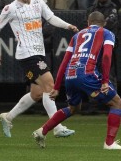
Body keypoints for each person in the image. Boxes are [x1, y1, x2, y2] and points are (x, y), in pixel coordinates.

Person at [0, 0, 78, 138]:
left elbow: (51, 18)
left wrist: (68, 25)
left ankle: (8, 116)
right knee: (50, 85)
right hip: (26, 54)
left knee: (37, 93)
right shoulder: (11, 8)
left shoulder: (38, 2)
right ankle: (57, 127)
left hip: (39, 52)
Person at [33, 11, 121, 150]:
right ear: (103, 23)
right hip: (88, 74)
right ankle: (109, 143)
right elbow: (106, 57)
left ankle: (42, 131)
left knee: (74, 108)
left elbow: (64, 61)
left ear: (88, 23)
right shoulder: (107, 33)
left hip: (71, 75)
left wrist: (56, 86)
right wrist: (105, 80)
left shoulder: (76, 35)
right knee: (117, 103)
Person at [82, 0, 119, 115]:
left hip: (108, 47)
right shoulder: (91, 9)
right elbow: (85, 25)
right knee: (91, 74)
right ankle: (93, 105)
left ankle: (112, 103)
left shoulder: (113, 8)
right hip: (93, 48)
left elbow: (110, 25)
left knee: (109, 75)